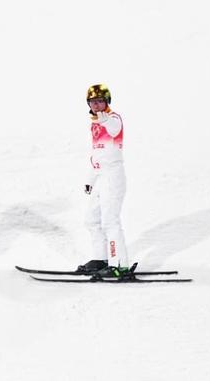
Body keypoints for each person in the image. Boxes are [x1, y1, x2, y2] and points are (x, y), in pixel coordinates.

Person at [77, 84, 131, 278]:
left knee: (110, 221)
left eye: (100, 101)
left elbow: (115, 129)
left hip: (113, 176)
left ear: (107, 102)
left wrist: (104, 117)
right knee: (91, 220)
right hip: (100, 177)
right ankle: (101, 258)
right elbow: (96, 154)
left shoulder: (113, 118)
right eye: (92, 102)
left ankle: (119, 264)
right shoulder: (95, 124)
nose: (96, 106)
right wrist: (90, 179)